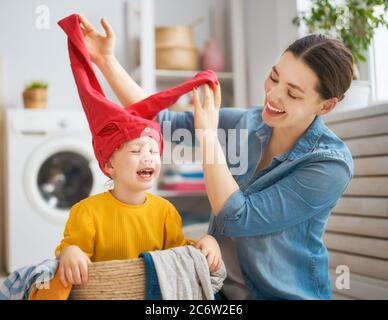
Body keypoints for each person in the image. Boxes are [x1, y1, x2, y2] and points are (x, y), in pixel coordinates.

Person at [79, 15, 354, 299]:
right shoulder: (247, 123)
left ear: (326, 106)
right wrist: (105, 60)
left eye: (292, 94)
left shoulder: (329, 164)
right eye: (274, 76)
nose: (272, 94)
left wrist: (208, 136)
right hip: (219, 291)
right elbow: (160, 120)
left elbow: (238, 218)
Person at [54, 14, 223, 290]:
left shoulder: (166, 212)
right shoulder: (86, 212)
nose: (148, 157)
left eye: (153, 151)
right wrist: (70, 253)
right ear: (109, 166)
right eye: (136, 151)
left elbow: (179, 257)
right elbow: (70, 252)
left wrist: (206, 244)